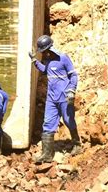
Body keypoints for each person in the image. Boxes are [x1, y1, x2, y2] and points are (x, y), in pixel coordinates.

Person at [29, 35, 82, 163]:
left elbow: (73, 75)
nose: (44, 53)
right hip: (51, 99)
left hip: (64, 97)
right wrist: (35, 61)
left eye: (44, 51)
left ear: (49, 48)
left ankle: (77, 144)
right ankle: (47, 154)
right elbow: (45, 70)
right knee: (48, 123)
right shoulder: (48, 60)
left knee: (69, 120)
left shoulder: (63, 58)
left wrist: (71, 90)